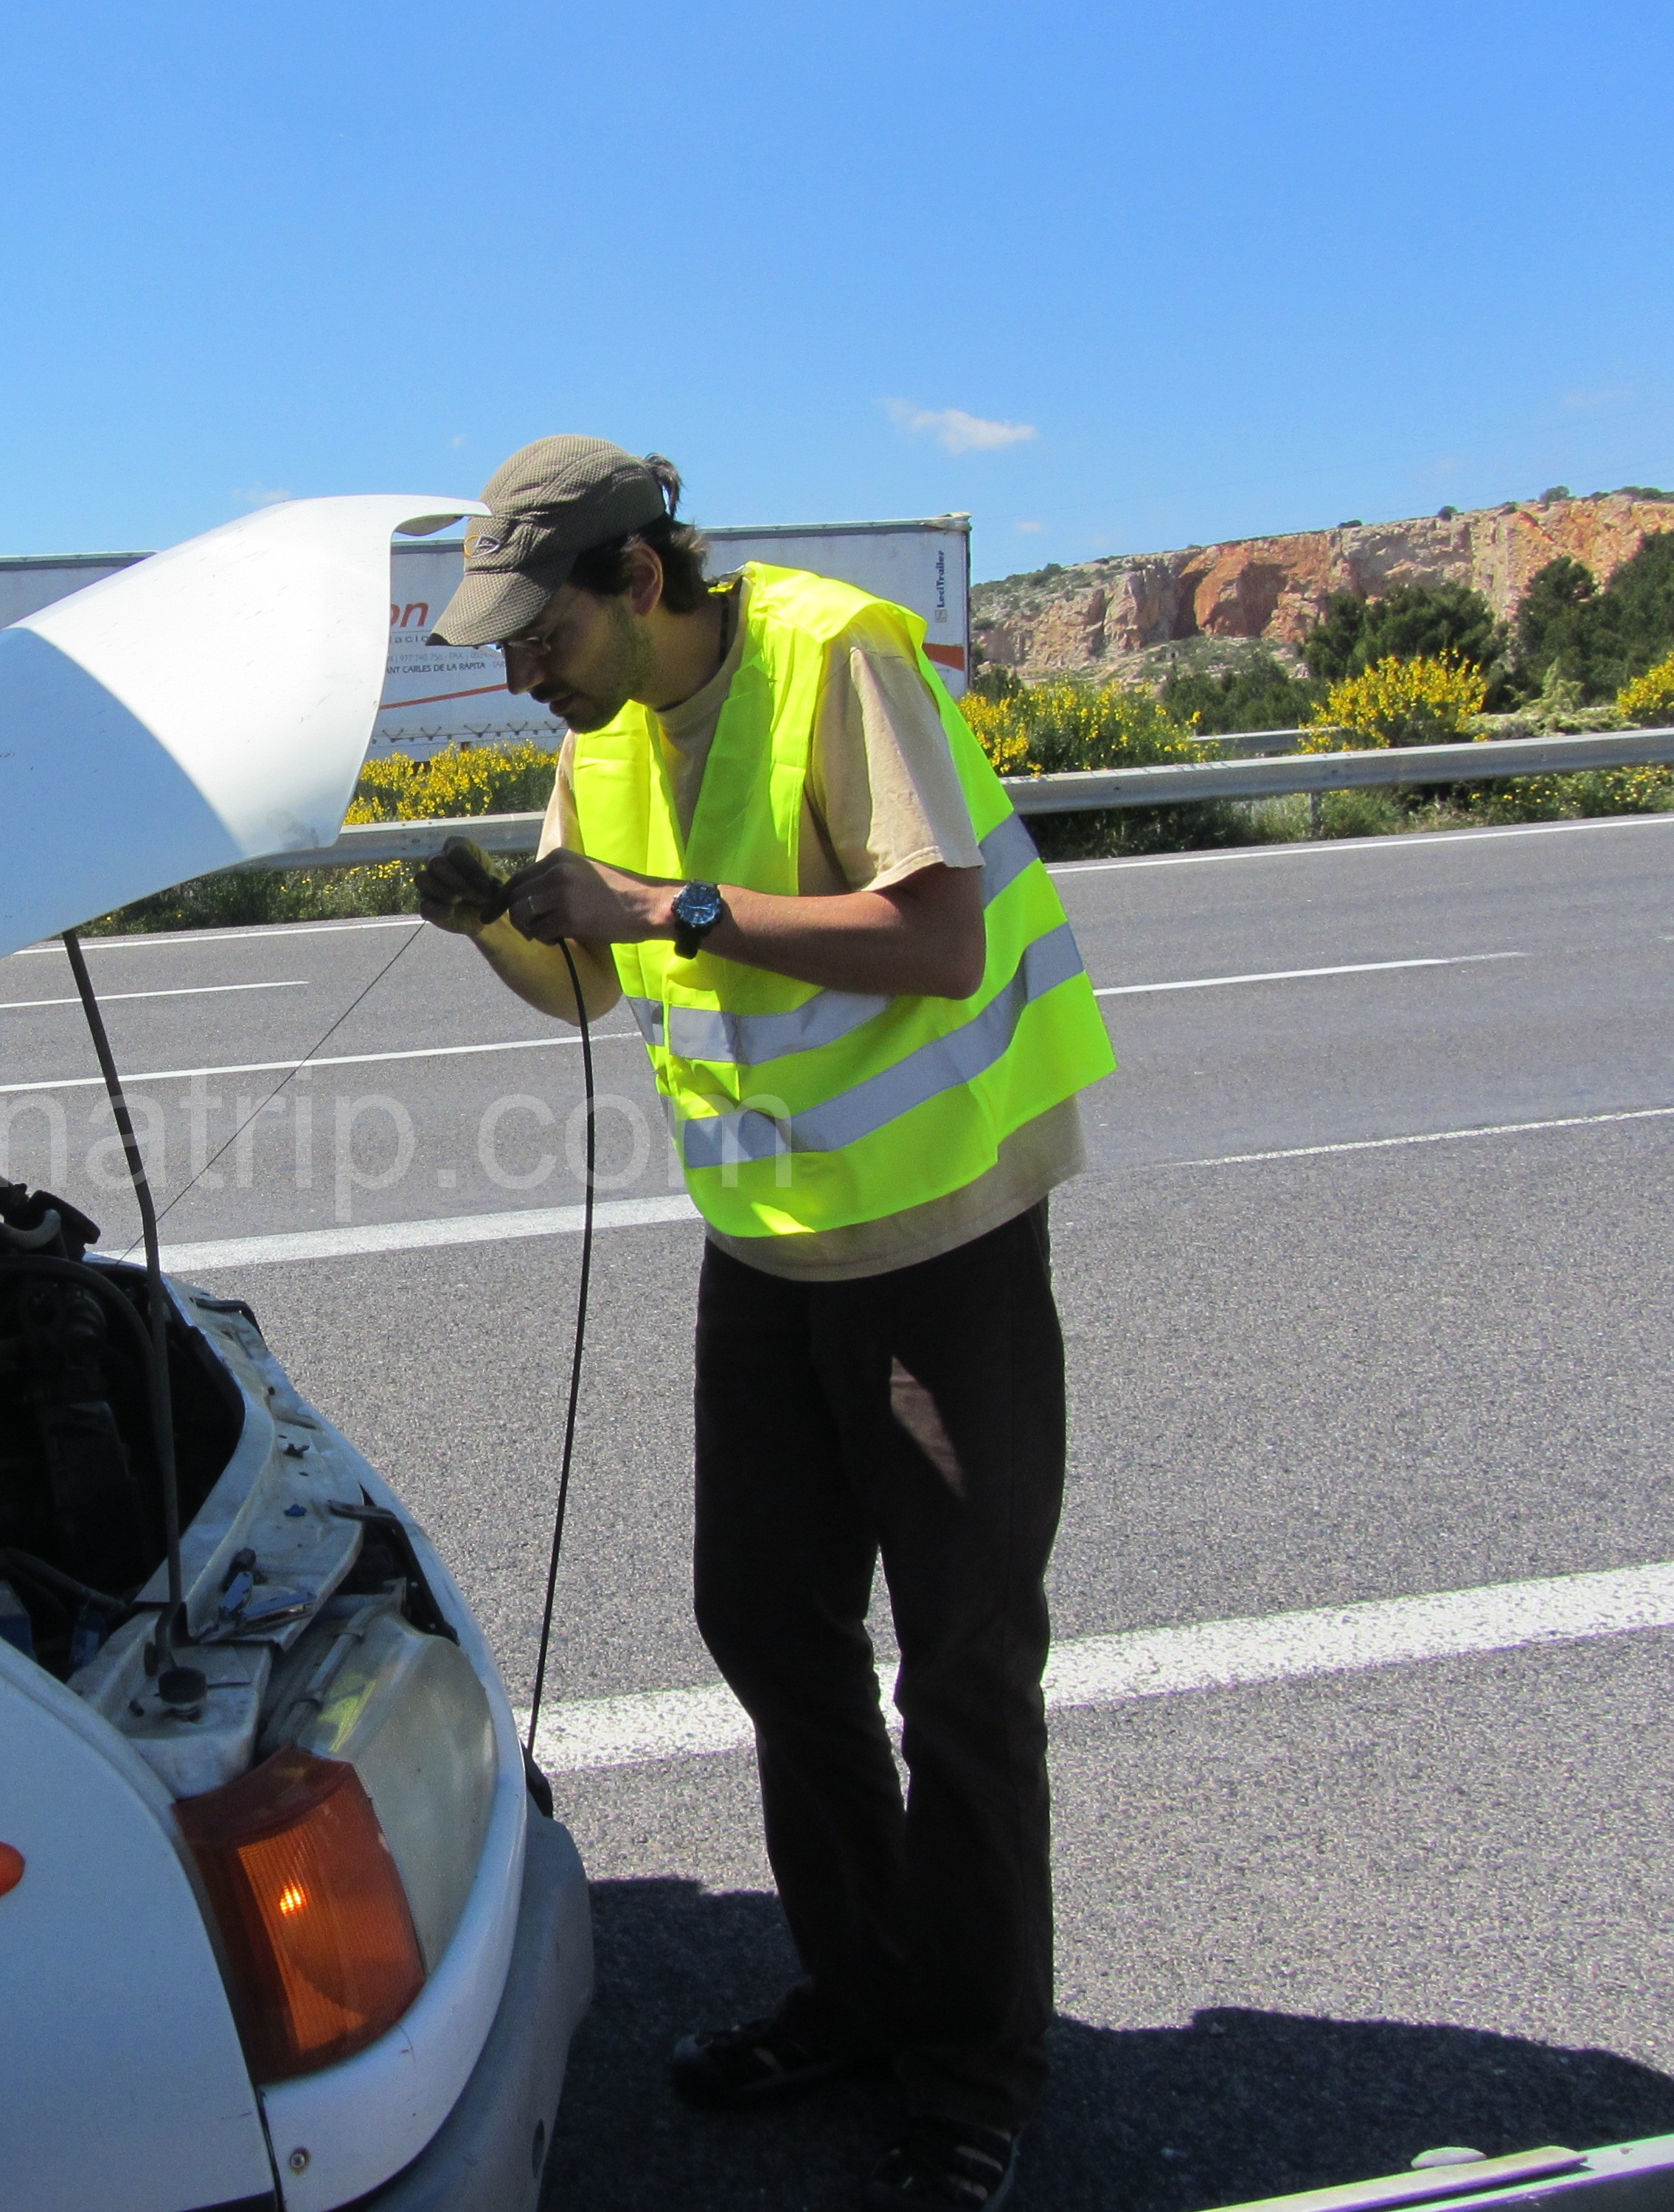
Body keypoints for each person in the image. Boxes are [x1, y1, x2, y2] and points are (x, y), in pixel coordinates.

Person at [417, 437, 1116, 2212]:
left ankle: (974, 2070)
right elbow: (593, 982)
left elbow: (935, 937)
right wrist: (497, 925)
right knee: (767, 1627)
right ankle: (863, 1992)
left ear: (636, 580)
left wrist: (663, 906)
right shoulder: (601, 746)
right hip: (770, 1247)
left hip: (935, 1239)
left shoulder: (834, 656)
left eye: (535, 632)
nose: (517, 671)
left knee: (958, 1667)